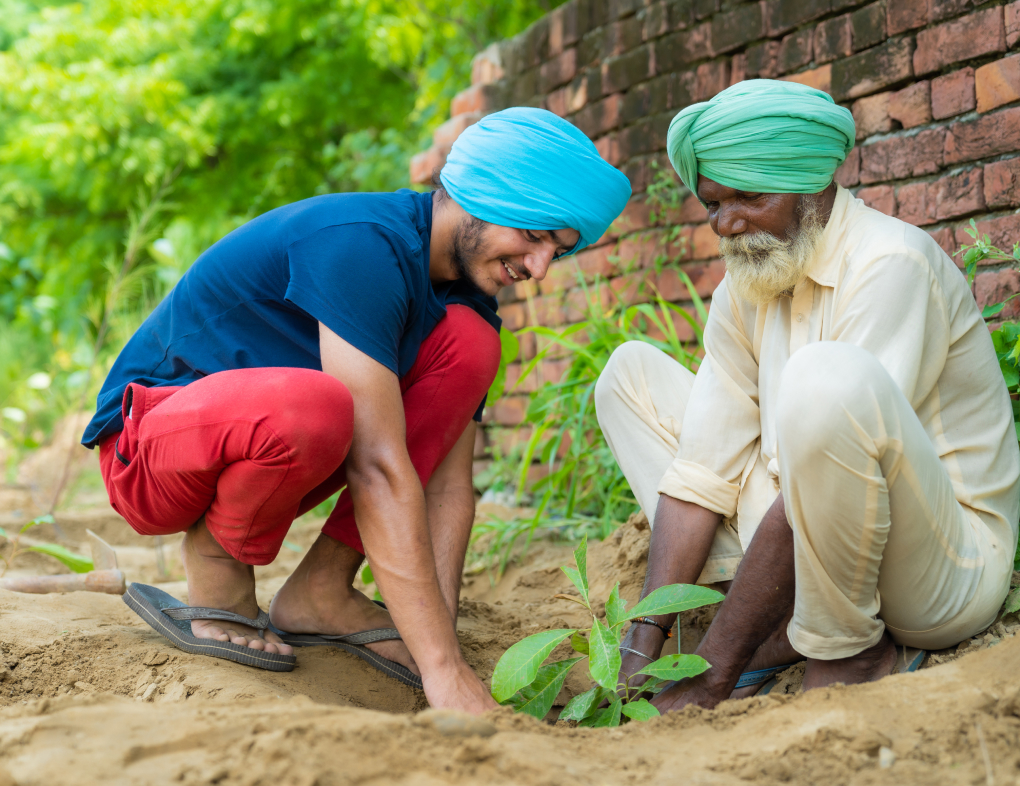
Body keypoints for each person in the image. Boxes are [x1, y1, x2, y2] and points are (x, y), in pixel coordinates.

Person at [82, 107, 631, 714]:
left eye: (559, 249)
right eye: (533, 236)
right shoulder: (362, 244)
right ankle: (220, 583)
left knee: (472, 344)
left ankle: (320, 589)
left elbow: (448, 484)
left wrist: (436, 650)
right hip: (148, 449)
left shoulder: (460, 295)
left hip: (269, 444)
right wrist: (445, 672)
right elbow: (376, 464)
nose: (539, 269)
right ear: (482, 194)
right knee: (317, 407)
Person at [594, 80, 1019, 711]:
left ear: (812, 183)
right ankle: (775, 620)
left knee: (826, 381)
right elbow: (701, 468)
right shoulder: (748, 285)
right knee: (628, 375)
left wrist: (714, 669)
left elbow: (821, 480)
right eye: (713, 204)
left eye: (750, 197)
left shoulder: (889, 263)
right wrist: (642, 641)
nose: (728, 224)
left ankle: (846, 647)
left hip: (938, 567)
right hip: (809, 534)